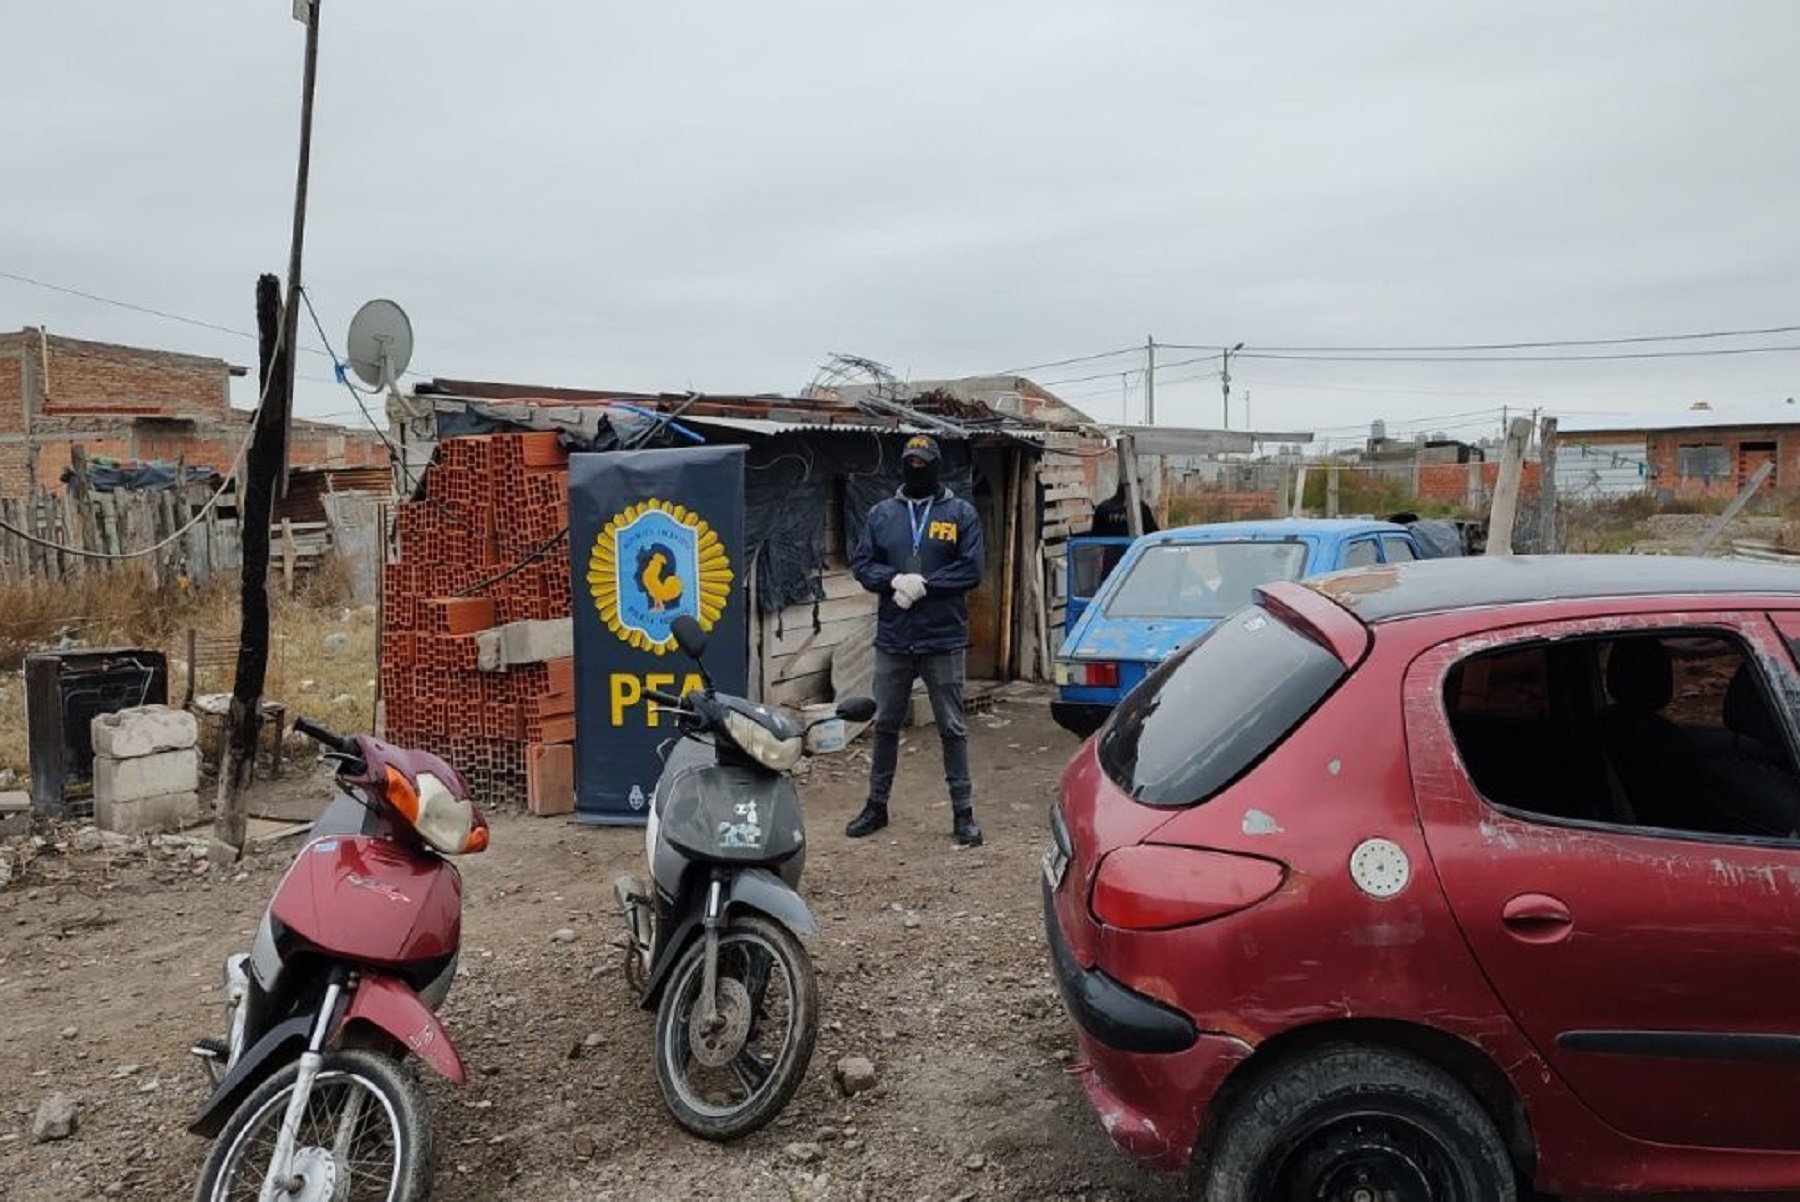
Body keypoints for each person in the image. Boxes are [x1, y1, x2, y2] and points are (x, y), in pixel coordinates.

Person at [847, 434, 986, 847]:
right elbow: (861, 562)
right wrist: (892, 580)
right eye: (911, 461)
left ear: (937, 465)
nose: (917, 468)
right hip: (893, 637)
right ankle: (876, 805)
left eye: (924, 462)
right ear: (902, 464)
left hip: (942, 637)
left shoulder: (961, 513)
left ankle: (963, 813)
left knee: (952, 727)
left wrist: (925, 585)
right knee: (886, 723)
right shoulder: (881, 514)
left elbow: (971, 569)